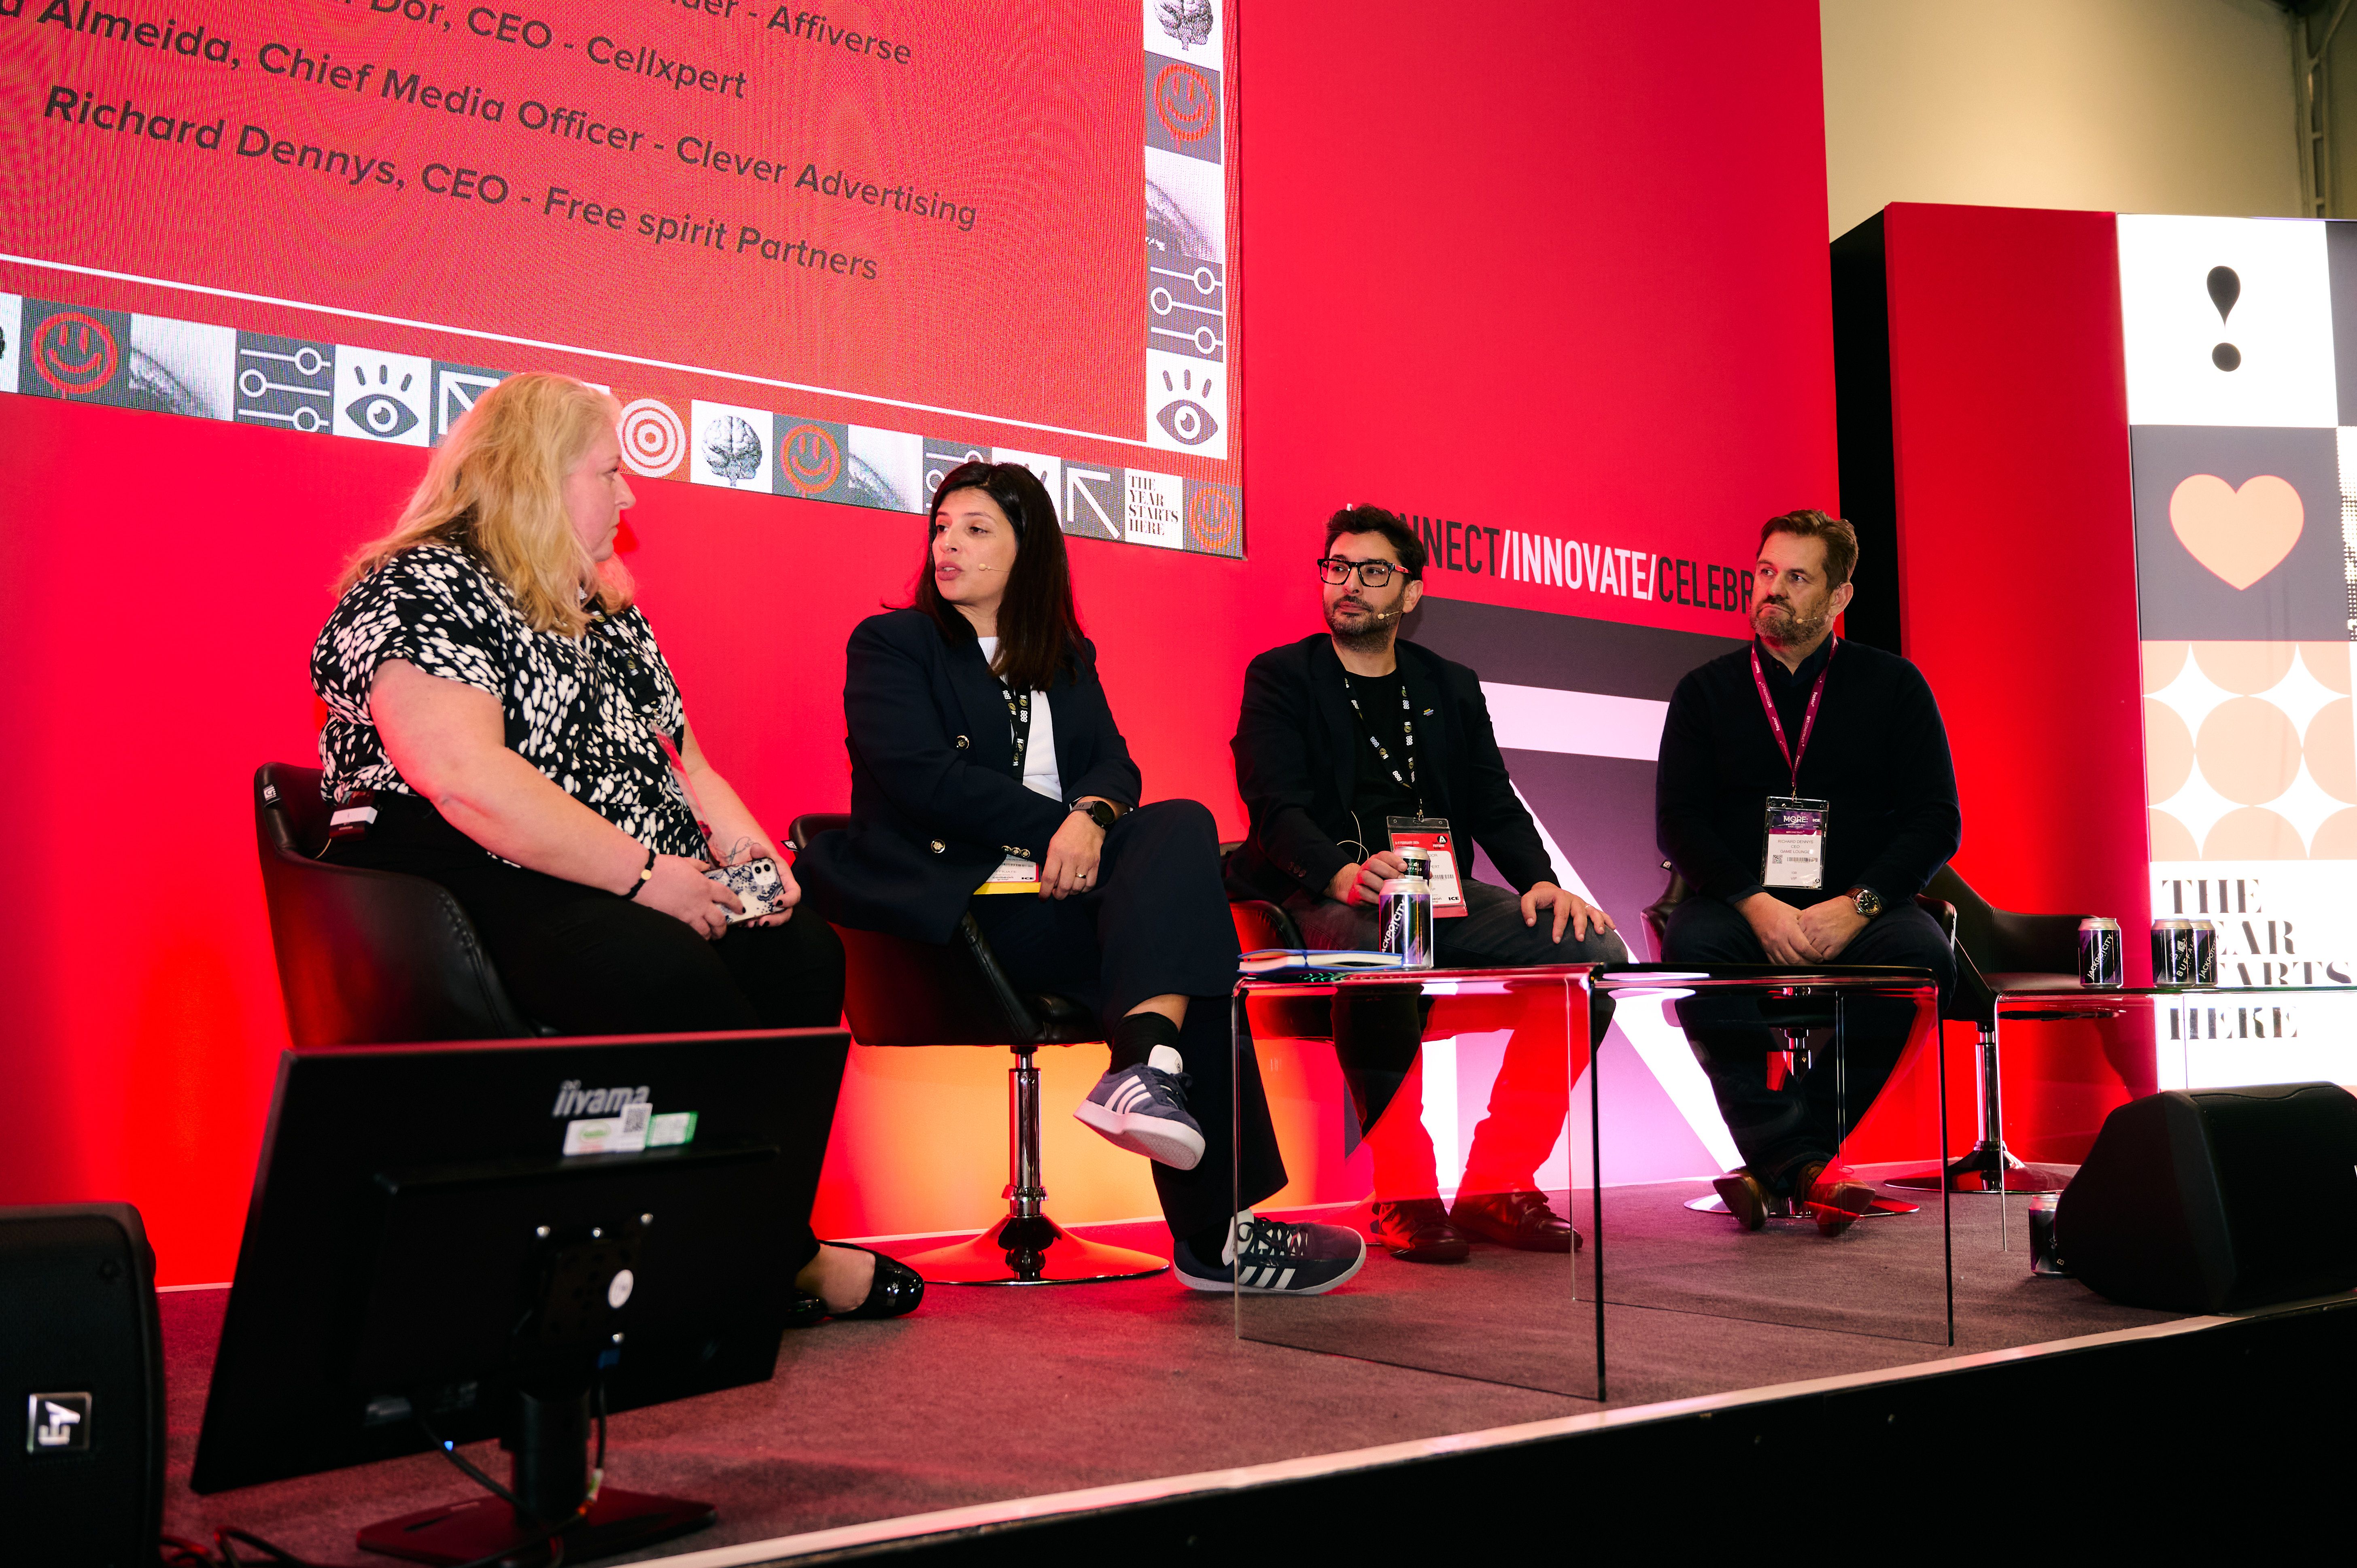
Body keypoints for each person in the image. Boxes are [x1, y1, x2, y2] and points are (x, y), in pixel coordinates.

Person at [311, 371, 915, 1325]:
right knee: (662, 972)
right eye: (611, 472)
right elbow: (465, 778)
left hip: (615, 869)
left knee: (800, 956)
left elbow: (688, 764)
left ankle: (739, 1241)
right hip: (464, 874)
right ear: (536, 476)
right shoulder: (424, 584)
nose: (630, 497)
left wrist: (757, 866)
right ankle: (752, 1253)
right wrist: (646, 881)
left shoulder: (602, 606)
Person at [796, 461, 1365, 1294]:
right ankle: (1214, 1226)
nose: (947, 542)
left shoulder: (1062, 656)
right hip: (960, 918)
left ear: (1028, 549)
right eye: (941, 526)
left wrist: (1092, 818)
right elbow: (922, 778)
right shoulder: (892, 645)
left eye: (975, 528)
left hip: (1060, 902)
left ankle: (1147, 1078)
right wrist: (1059, 828)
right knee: (1189, 944)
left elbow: (1113, 763)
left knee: (1180, 831)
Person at [1228, 505, 1627, 1262]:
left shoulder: (1451, 684)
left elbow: (1492, 799)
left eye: (1373, 572)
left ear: (1410, 594)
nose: (1349, 585)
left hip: (1439, 891)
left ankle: (1498, 1182)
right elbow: (1273, 808)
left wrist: (1541, 882)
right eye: (1337, 568)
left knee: (1595, 953)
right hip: (1329, 893)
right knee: (1389, 949)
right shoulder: (1283, 677)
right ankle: (1404, 1190)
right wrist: (1344, 875)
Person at [1655, 509, 1960, 1233]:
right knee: (1695, 951)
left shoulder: (1895, 687)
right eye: (1765, 573)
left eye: (1797, 578)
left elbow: (1936, 821)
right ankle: (1807, 1166)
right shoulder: (1705, 691)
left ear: (1839, 598)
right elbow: (1680, 823)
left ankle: (1789, 1156)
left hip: (1860, 905)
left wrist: (1857, 905)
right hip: (1738, 903)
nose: (1774, 591)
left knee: (1922, 960)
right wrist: (1756, 905)